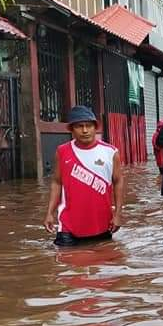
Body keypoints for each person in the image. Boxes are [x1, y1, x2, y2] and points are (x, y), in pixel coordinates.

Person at [43, 105, 125, 246]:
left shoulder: (111, 152)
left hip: (101, 224)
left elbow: (118, 182)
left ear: (95, 127)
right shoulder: (62, 151)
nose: (85, 130)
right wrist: (49, 213)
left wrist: (118, 214)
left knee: (103, 263)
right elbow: (56, 182)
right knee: (65, 263)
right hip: (68, 226)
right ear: (71, 130)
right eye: (80, 126)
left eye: (89, 126)